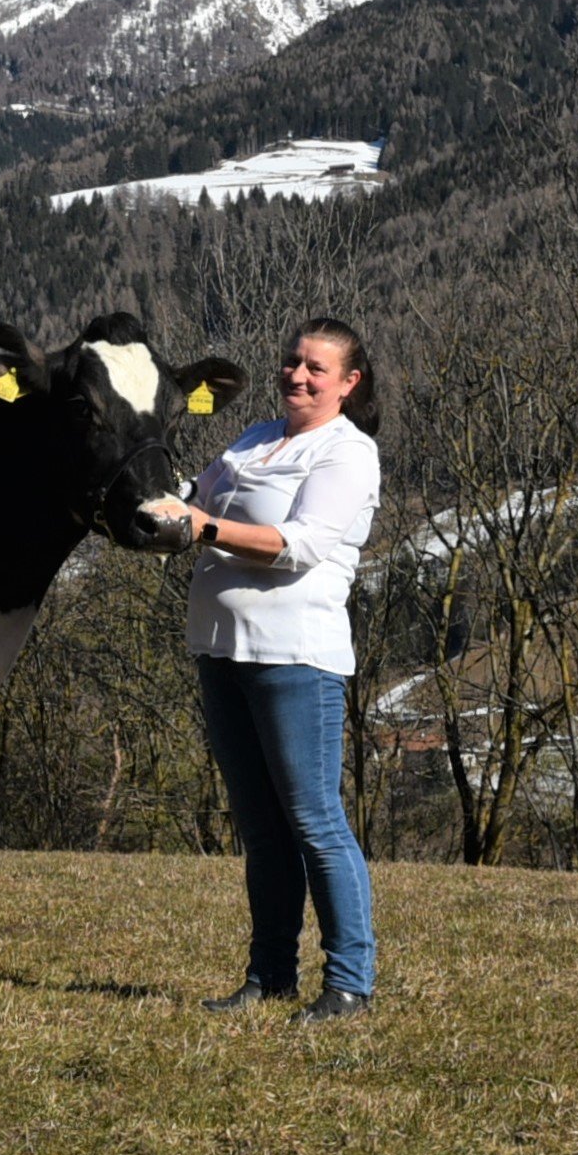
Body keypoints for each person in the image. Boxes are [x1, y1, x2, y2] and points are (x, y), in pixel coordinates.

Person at [153, 317, 381, 1024]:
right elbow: (196, 493)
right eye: (291, 361)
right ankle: (270, 975)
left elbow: (300, 545)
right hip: (222, 651)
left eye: (316, 367)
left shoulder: (348, 454)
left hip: (294, 658)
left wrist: (204, 529)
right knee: (261, 824)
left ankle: (349, 981)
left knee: (314, 820)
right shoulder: (253, 438)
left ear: (348, 383)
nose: (298, 376)